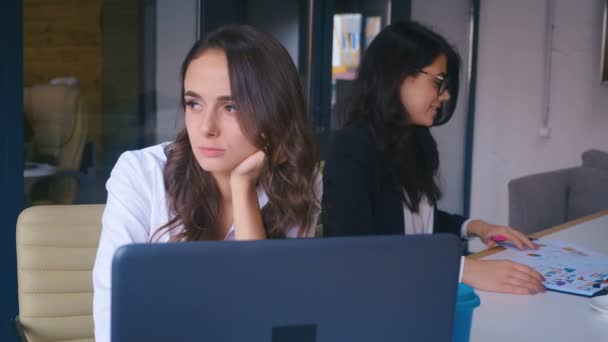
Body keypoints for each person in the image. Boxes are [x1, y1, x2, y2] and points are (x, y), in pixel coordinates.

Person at [93, 25, 321, 342]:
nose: (206, 128)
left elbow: (271, 318)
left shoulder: (297, 179)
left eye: (231, 107)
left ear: (273, 112)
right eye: (194, 103)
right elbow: (112, 319)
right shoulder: (140, 175)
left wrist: (243, 190)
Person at [322, 21, 545, 295]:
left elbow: (415, 223)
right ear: (399, 76)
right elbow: (355, 253)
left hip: (418, 291)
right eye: (439, 82)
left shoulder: (414, 141)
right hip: (375, 302)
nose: (446, 95)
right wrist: (464, 269)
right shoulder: (351, 148)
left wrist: (477, 227)